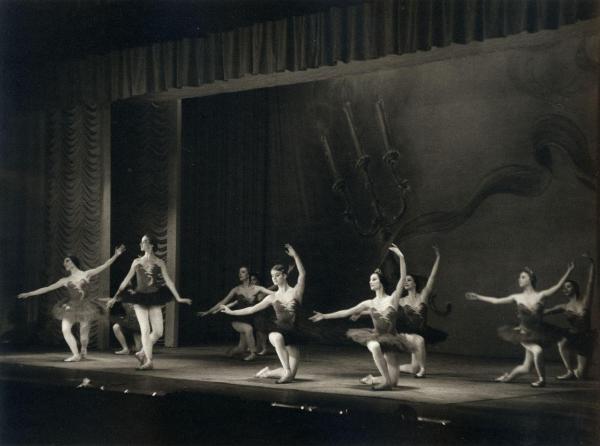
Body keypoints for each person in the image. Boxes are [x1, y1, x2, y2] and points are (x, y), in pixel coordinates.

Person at [310, 244, 422, 391]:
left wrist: (401, 257)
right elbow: (347, 312)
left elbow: (402, 278)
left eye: (374, 279)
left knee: (396, 382)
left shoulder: (393, 299)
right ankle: (385, 381)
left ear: (381, 281)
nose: (370, 282)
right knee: (374, 346)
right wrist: (324, 316)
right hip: (376, 336)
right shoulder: (369, 303)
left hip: (391, 339)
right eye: (370, 280)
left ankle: (376, 379)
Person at [466, 262, 574, 387]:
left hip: (540, 333)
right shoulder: (516, 297)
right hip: (524, 333)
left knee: (526, 368)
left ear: (530, 279)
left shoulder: (541, 295)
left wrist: (569, 271)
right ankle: (541, 380)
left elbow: (557, 286)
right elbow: (496, 301)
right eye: (519, 277)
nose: (519, 279)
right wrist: (478, 297)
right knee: (538, 351)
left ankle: (506, 378)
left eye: (523, 277)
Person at [18, 245, 126, 361]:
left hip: (86, 306)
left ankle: (83, 349)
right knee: (65, 329)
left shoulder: (86, 274)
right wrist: (29, 294)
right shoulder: (64, 280)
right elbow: (47, 288)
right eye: (64, 262)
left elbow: (104, 266)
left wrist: (116, 255)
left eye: (67, 261)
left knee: (83, 336)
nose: (65, 263)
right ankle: (76, 355)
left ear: (73, 262)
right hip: (71, 306)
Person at [221, 244, 306, 384]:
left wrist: (295, 256)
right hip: (279, 331)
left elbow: (302, 274)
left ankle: (267, 373)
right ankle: (286, 371)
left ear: (284, 275)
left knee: (291, 376)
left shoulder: (296, 292)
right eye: (272, 276)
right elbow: (251, 309)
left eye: (277, 275)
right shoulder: (272, 297)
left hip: (293, 335)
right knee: (276, 337)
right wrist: (231, 311)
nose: (274, 279)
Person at [107, 235, 191, 370]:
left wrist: (179, 298)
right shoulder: (136, 262)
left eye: (144, 241)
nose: (141, 244)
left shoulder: (159, 262)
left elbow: (168, 281)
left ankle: (141, 352)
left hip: (154, 297)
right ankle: (149, 361)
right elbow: (125, 280)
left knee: (158, 332)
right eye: (141, 241)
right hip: (139, 298)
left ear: (151, 245)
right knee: (145, 329)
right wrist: (115, 297)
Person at [197, 266, 275, 361]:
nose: (239, 274)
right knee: (248, 329)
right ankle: (253, 353)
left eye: (242, 272)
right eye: (239, 272)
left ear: (248, 275)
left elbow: (273, 293)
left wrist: (288, 295)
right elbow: (222, 302)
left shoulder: (257, 288)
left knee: (241, 348)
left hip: (249, 319)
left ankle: (229, 354)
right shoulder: (237, 289)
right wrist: (208, 312)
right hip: (237, 319)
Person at [545, 255, 596, 379]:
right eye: (564, 288)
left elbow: (590, 283)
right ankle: (569, 371)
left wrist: (592, 265)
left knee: (581, 376)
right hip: (573, 335)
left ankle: (577, 371)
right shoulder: (563, 306)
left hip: (586, 339)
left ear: (575, 288)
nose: (565, 289)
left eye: (568, 286)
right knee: (562, 343)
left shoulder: (585, 301)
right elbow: (547, 311)